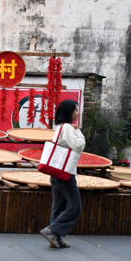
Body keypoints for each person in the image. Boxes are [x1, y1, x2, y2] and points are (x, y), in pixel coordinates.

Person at [40, 99, 86, 248]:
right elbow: (78, 146)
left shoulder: (60, 126)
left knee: (59, 206)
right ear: (69, 112)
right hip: (65, 172)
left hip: (56, 170)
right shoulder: (67, 128)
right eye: (76, 110)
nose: (77, 113)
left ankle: (56, 238)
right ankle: (52, 230)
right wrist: (77, 130)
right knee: (75, 207)